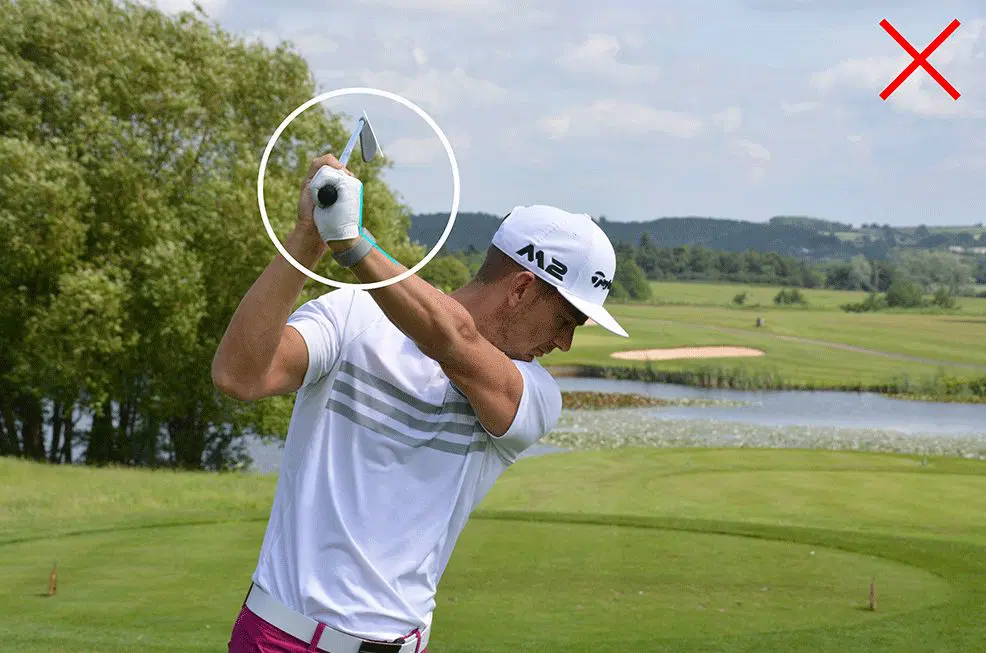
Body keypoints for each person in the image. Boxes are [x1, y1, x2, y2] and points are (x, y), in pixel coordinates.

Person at [213, 154, 629, 653]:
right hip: (281, 640)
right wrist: (310, 236)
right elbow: (239, 376)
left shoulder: (533, 394)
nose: (564, 343)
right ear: (522, 289)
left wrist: (353, 242)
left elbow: (454, 339)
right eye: (567, 320)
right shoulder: (353, 315)